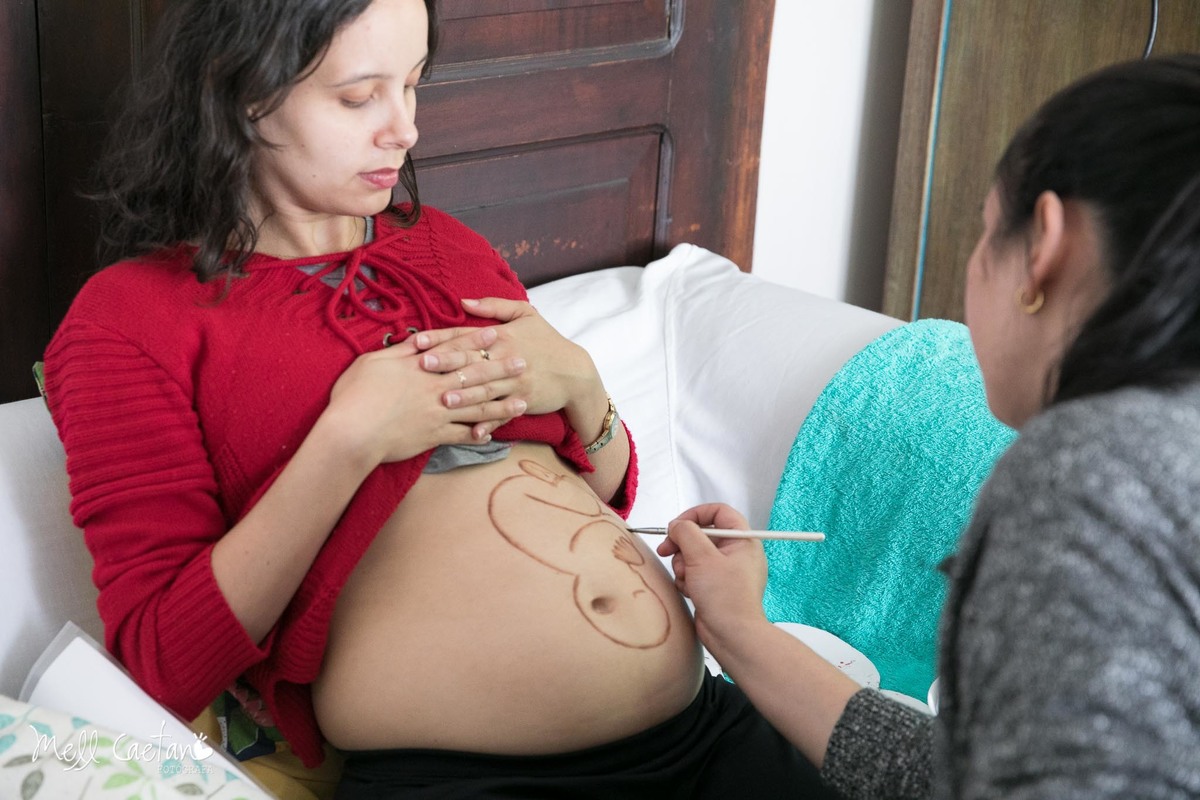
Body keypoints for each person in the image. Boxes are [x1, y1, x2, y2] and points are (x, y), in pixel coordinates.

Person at [42, 0, 840, 797]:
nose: (405, 130)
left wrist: (581, 385)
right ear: (243, 92)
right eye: (359, 97)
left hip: (705, 731)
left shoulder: (447, 246)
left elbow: (600, 489)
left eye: (413, 85)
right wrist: (348, 440)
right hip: (456, 779)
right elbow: (163, 663)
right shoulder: (131, 319)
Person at [660, 54, 1200, 798]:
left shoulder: (1089, 475)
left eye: (985, 233)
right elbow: (964, 774)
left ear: (1044, 248)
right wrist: (741, 630)